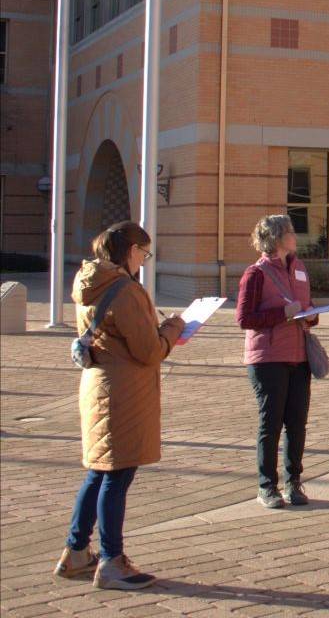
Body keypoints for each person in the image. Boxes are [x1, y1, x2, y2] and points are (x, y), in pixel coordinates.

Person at [56, 221, 185, 590]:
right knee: (117, 474)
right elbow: (148, 351)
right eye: (143, 254)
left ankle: (77, 552)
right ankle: (112, 560)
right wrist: (174, 329)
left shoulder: (90, 282)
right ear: (131, 251)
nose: (144, 262)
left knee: (99, 472)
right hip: (123, 392)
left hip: (100, 385)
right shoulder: (126, 290)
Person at [236, 215, 319, 509]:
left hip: (299, 355)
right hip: (268, 358)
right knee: (270, 423)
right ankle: (266, 486)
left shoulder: (299, 268)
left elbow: (307, 307)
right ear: (276, 237)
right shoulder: (255, 274)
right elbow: (244, 318)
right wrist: (284, 313)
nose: (295, 236)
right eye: (291, 232)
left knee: (297, 422)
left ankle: (293, 482)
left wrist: (311, 315)